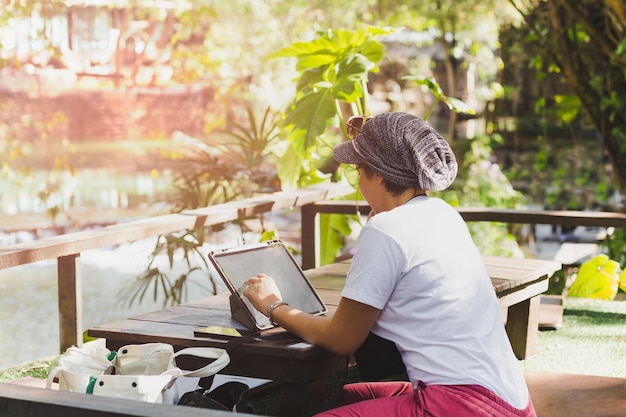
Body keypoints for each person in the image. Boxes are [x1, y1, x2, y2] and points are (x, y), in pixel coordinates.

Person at [243, 112, 537, 417]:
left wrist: (273, 306)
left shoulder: (386, 230)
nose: (359, 182)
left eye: (359, 171)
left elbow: (341, 339)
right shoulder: (443, 214)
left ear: (379, 175)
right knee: (351, 395)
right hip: (510, 400)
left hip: (464, 406)